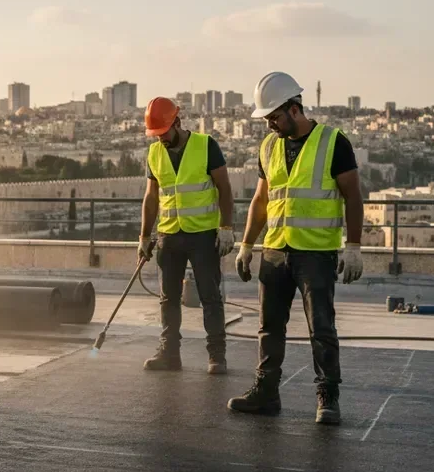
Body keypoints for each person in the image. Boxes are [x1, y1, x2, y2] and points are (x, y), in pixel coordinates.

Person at [229, 71, 363, 425]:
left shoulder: (334, 142)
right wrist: (246, 245)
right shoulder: (269, 146)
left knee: (321, 328)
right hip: (275, 251)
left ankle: (327, 396)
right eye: (267, 119)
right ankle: (266, 392)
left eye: (274, 117)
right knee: (269, 327)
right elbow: (261, 200)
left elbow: (353, 196)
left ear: (294, 108)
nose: (271, 125)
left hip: (315, 254)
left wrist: (353, 247)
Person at [139, 97, 237, 374]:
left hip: (203, 235)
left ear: (177, 123)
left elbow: (225, 189)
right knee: (168, 298)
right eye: (155, 135)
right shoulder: (155, 153)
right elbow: (151, 198)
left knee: (210, 296)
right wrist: (144, 237)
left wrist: (226, 228)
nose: (160, 139)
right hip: (169, 236)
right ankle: (170, 354)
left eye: (163, 133)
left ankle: (216, 355)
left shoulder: (206, 146)